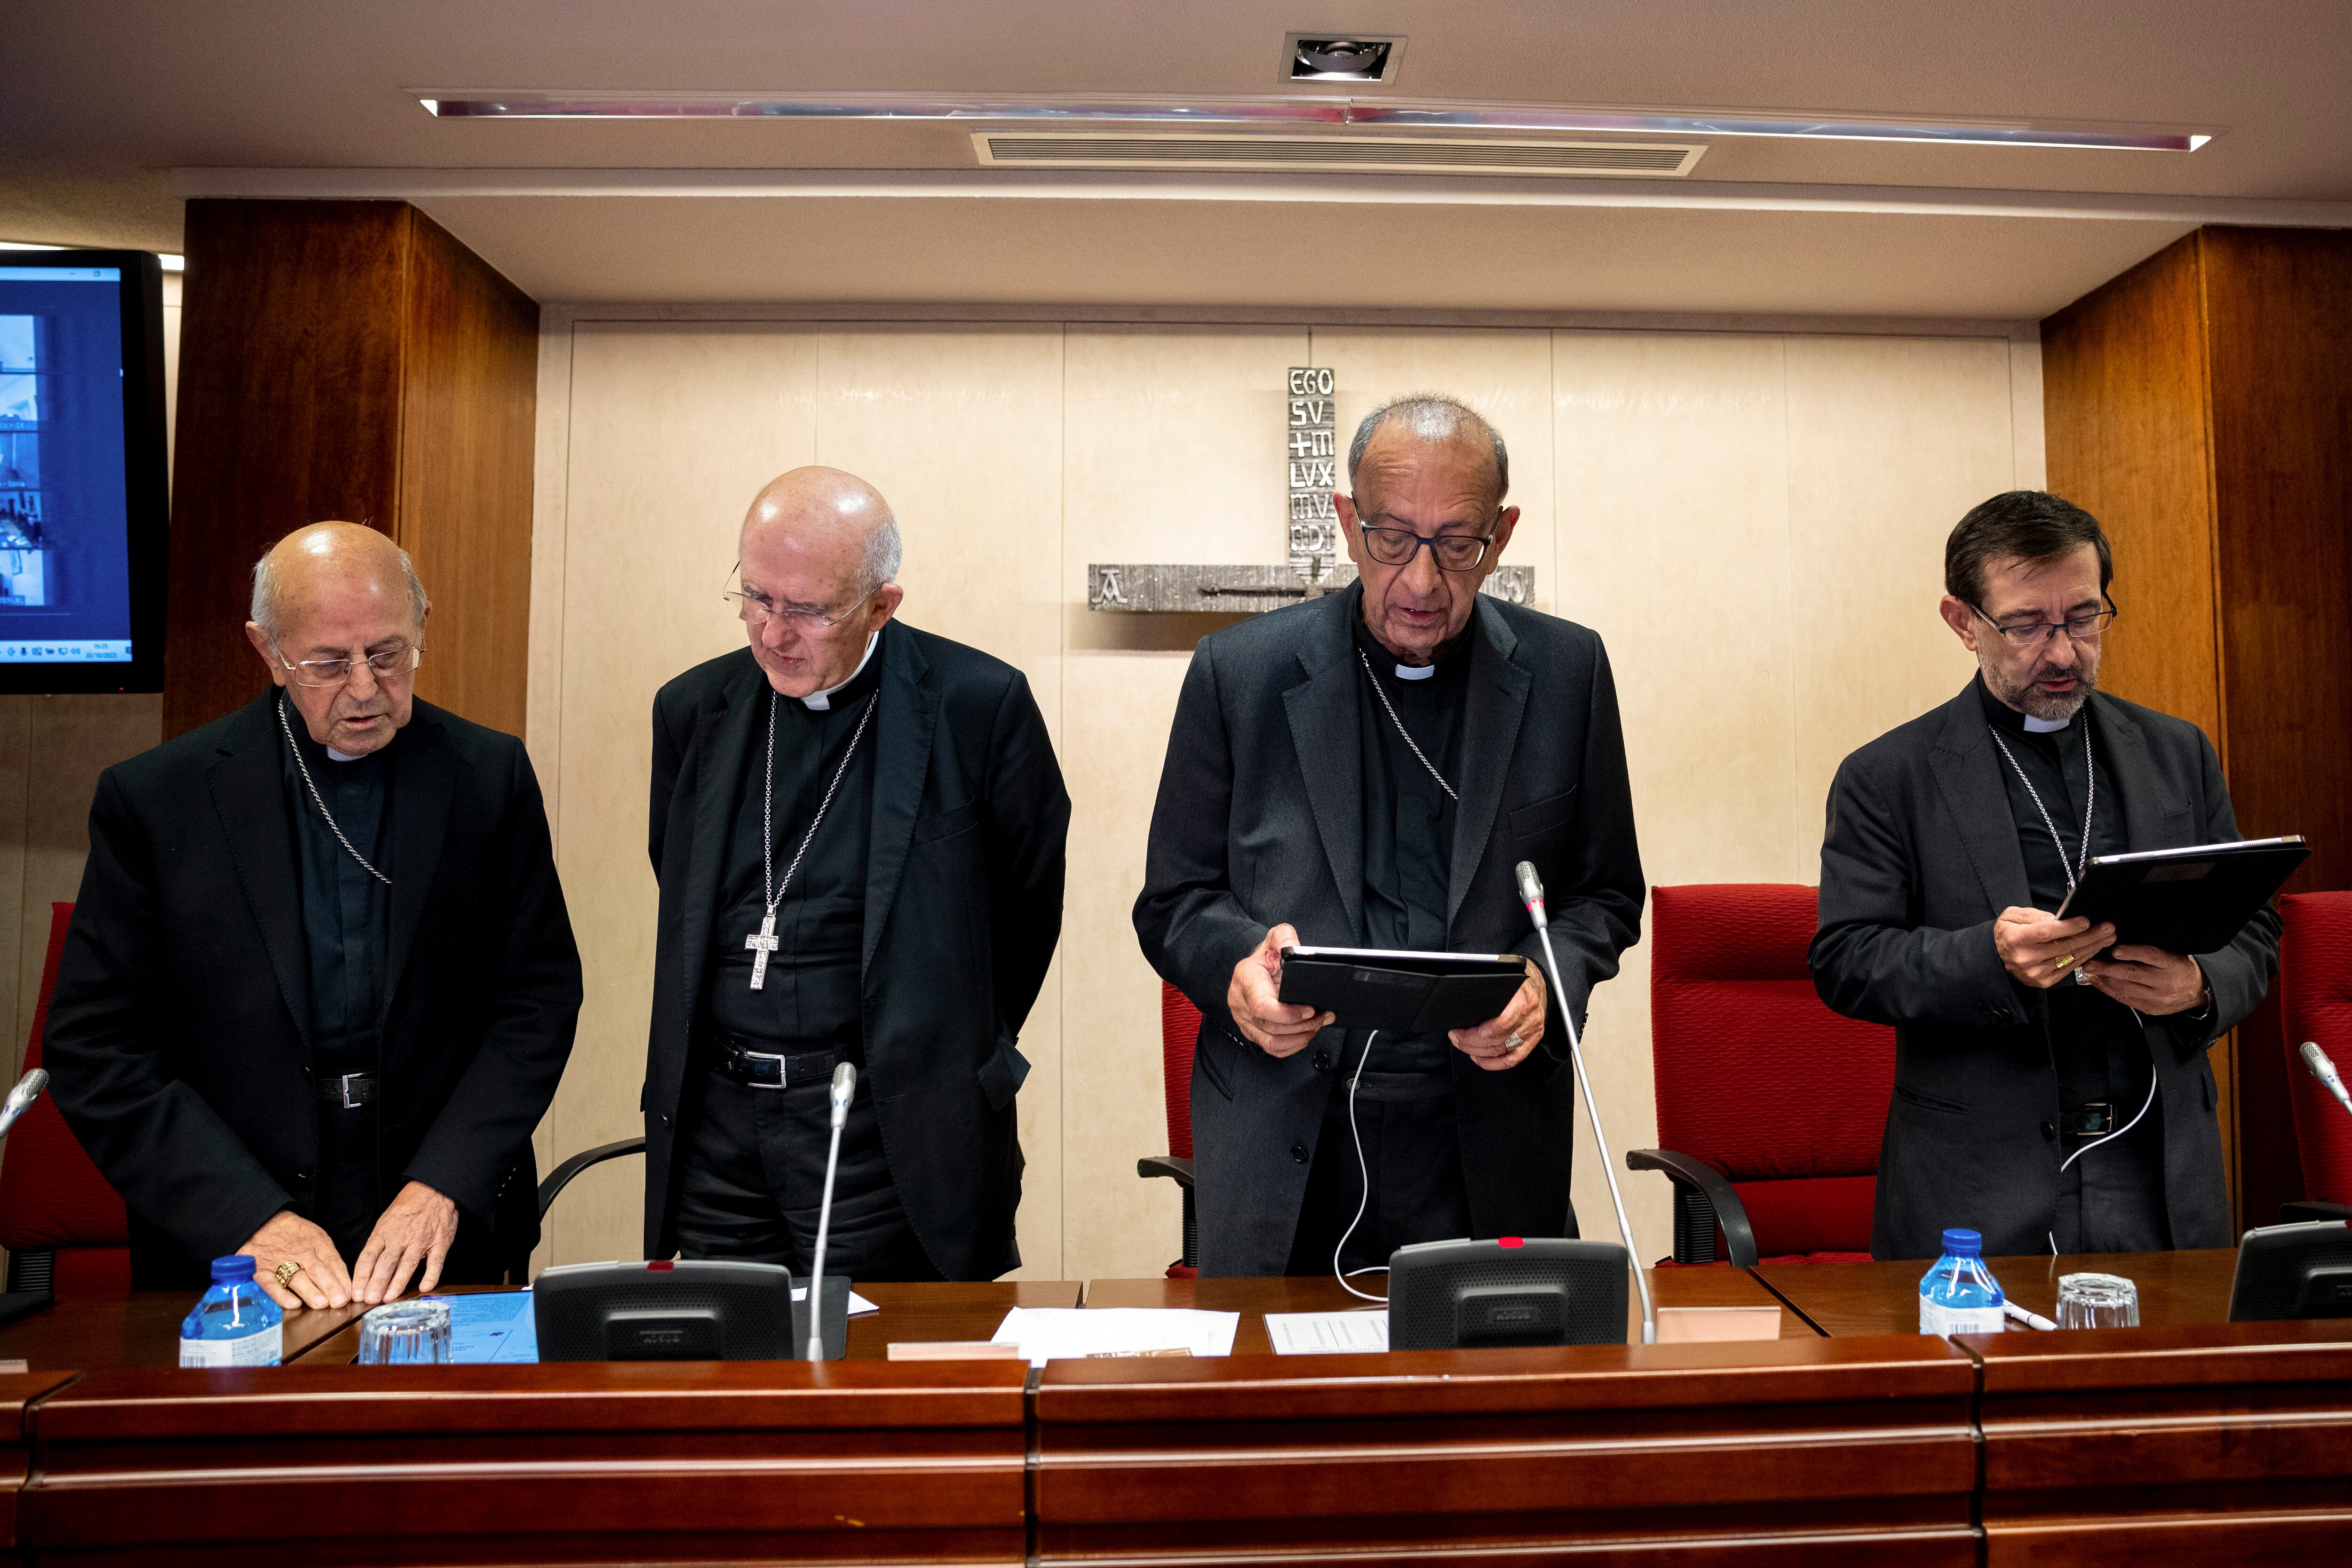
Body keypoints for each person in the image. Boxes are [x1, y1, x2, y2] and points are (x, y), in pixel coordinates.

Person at [1134, 394, 1645, 1279]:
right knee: (1283, 1415)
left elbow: (1604, 894)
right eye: (1391, 537)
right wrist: (1238, 969)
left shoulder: (1569, 673)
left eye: (1457, 544)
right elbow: (1173, 901)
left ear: (1503, 534)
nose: (1420, 580)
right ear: (1346, 522)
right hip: (1287, 1129)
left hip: (1486, 1134)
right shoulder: (1238, 673)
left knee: (1492, 1408)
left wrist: (1543, 978)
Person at [46, 523, 581, 1308]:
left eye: (388, 654)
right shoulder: (159, 802)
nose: (364, 687)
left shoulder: (486, 777)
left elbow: (536, 1001)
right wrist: (247, 1217)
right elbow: (95, 1048)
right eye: (328, 664)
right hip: (231, 1235)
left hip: (436, 1222)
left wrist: (444, 1181)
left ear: (422, 625)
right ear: (267, 650)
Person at [1811, 490, 2280, 1259]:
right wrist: (1987, 957)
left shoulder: (2177, 753)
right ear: (1964, 622)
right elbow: (1846, 960)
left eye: (2084, 617)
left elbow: (2254, 924)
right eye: (2027, 624)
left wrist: (2200, 984)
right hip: (1978, 1184)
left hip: (2159, 1171)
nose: (2063, 652)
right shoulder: (1887, 776)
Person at [644, 467, 1067, 1281]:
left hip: (887, 1124)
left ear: (882, 605)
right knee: (733, 1378)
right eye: (757, 596)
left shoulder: (979, 707)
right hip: (720, 1130)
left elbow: (1023, 916)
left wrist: (931, 1038)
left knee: (878, 1384)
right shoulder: (691, 711)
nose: (774, 632)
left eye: (807, 609)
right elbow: (683, 889)